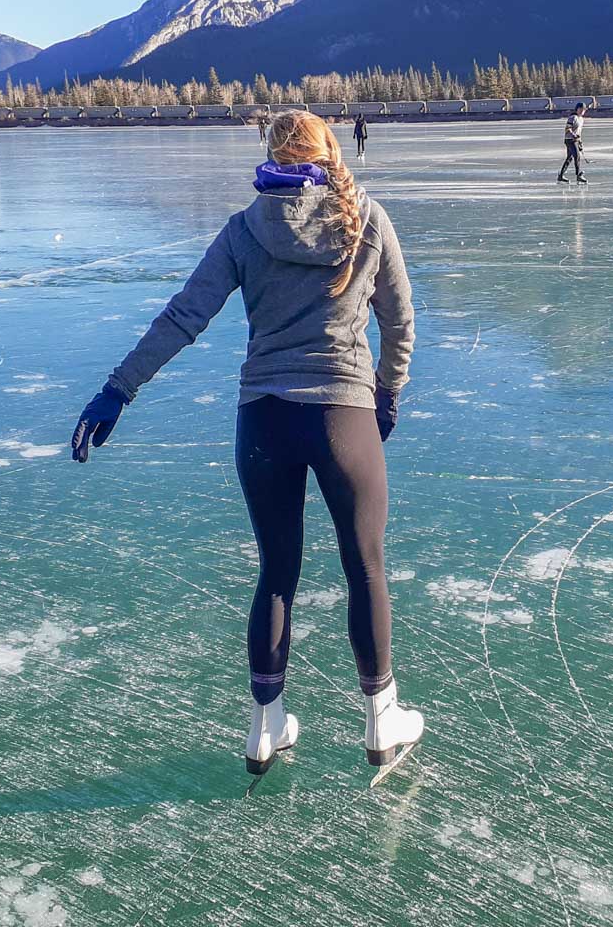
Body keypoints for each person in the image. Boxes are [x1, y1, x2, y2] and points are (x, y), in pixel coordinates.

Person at [71, 111, 424, 776]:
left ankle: (266, 727)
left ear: (270, 155)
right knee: (365, 566)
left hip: (263, 417)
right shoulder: (368, 218)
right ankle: (382, 721)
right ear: (329, 153)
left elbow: (185, 315)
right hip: (342, 415)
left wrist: (118, 389)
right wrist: (388, 395)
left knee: (277, 569)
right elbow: (400, 323)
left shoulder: (243, 229)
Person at [558, 102, 588, 184]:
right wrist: (573, 135)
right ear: (577, 109)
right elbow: (568, 128)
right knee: (577, 156)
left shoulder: (581, 119)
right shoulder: (572, 117)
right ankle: (578, 175)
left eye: (584, 110)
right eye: (581, 109)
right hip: (569, 140)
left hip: (575, 140)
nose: (582, 111)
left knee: (569, 158)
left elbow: (579, 132)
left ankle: (560, 176)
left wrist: (580, 142)